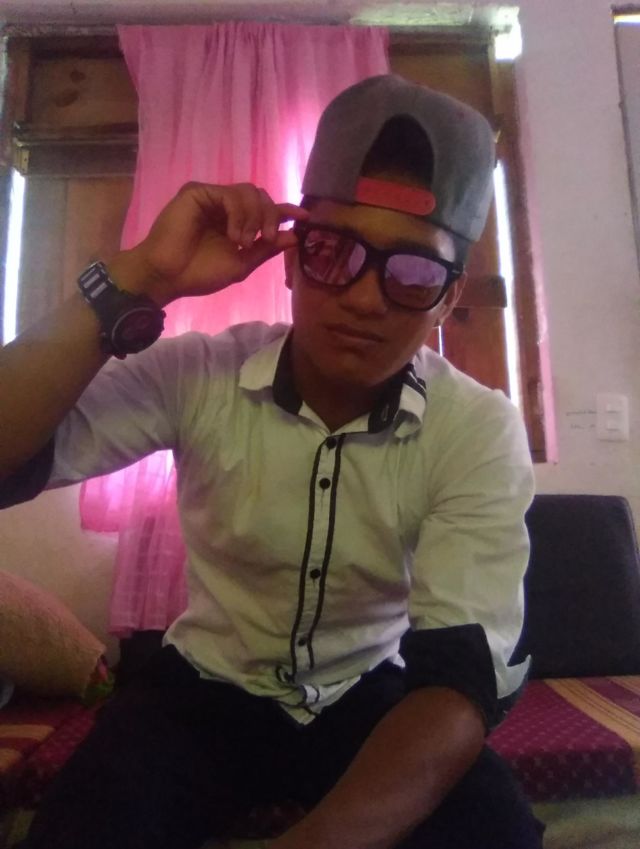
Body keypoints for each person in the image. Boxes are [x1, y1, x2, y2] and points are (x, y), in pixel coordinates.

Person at [0, 74, 543, 849]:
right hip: (198, 695)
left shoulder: (476, 428)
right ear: (290, 258)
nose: (365, 298)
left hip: (370, 696)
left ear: (449, 300)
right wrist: (143, 275)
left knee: (497, 832)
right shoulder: (198, 375)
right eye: (332, 250)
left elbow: (458, 685)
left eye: (415, 273)